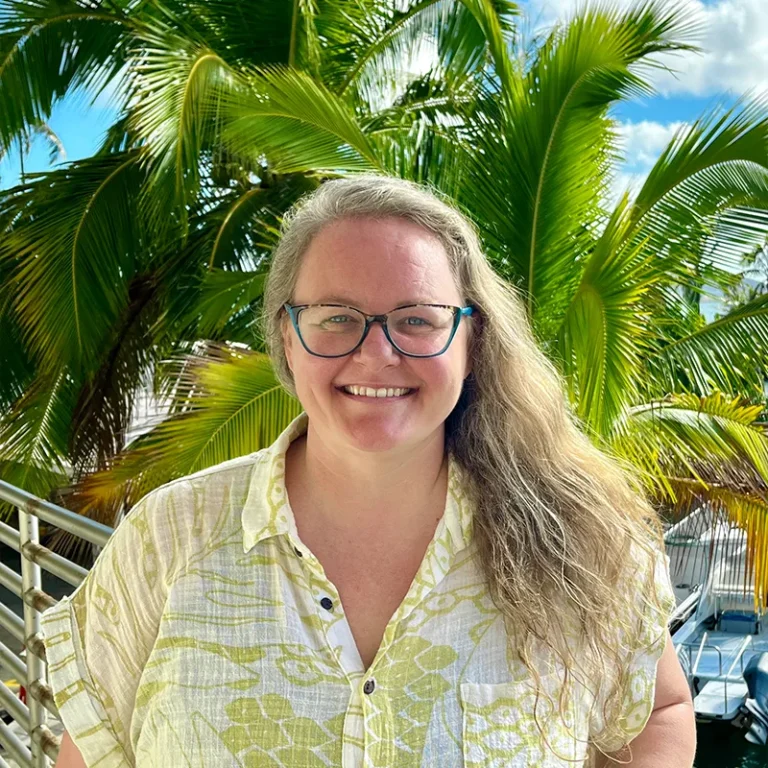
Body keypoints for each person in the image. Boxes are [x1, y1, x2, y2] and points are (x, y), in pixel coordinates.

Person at [42, 174, 695, 767]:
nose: (376, 354)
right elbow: (94, 744)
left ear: (472, 341)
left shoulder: (578, 540)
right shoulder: (168, 536)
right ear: (288, 342)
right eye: (336, 319)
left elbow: (657, 713)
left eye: (417, 319)